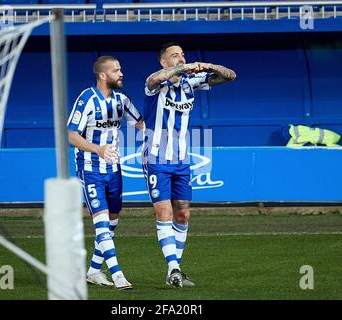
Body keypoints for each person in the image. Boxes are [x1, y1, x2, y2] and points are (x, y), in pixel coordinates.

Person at [142, 42, 236, 288]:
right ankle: (173, 268)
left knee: (183, 214)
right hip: (157, 159)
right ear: (164, 61)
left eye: (182, 55)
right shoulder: (156, 84)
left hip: (182, 160)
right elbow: (155, 79)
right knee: (164, 212)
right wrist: (181, 68)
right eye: (175, 56)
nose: (181, 58)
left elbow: (230, 76)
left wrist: (207, 65)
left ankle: (175, 269)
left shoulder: (190, 83)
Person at [67, 56, 143, 290]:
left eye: (120, 69)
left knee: (111, 224)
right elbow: (71, 135)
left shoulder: (122, 100)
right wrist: (97, 149)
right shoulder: (87, 99)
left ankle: (93, 271)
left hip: (114, 169)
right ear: (102, 75)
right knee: (101, 223)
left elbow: (140, 123)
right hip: (90, 169)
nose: (121, 73)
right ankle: (118, 274)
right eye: (116, 70)